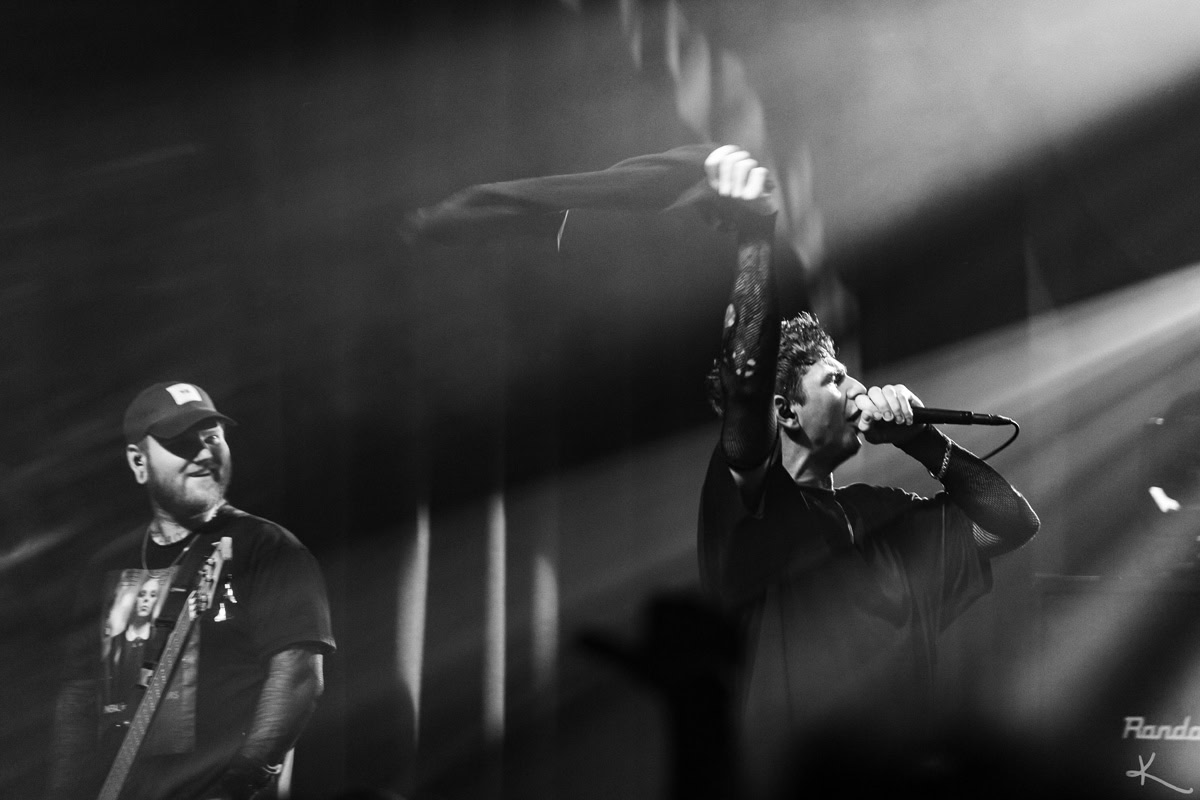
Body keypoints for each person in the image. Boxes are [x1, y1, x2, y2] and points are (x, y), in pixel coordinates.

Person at [696, 146, 1041, 798]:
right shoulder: (756, 503)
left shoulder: (883, 512)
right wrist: (755, 240)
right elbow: (746, 381)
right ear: (786, 412)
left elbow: (1011, 524)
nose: (857, 389)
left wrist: (921, 439)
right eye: (834, 380)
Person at [48, 382, 336, 800]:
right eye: (182, 443)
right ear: (139, 462)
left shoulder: (268, 548)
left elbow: (298, 676)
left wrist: (239, 782)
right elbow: (79, 697)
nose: (203, 453)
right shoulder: (107, 565)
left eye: (212, 438)